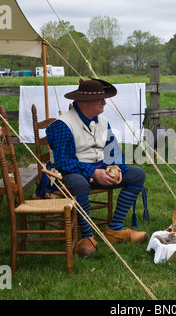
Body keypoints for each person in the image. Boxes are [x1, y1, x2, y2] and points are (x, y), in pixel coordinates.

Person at [45, 78, 148, 257]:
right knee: (79, 183)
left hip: (99, 172)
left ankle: (115, 229)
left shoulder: (102, 120)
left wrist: (116, 167)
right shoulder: (62, 125)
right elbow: (63, 163)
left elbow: (112, 150)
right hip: (68, 176)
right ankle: (87, 236)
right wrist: (93, 172)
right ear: (84, 101)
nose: (104, 102)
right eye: (100, 99)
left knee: (137, 174)